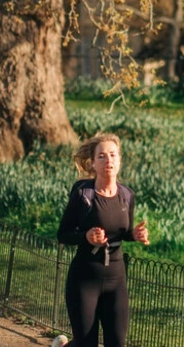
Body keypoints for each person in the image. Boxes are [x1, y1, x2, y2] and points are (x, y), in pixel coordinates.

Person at [51, 133, 149, 347]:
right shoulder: (83, 195)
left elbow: (122, 231)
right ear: (93, 163)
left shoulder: (127, 195)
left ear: (120, 161)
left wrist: (133, 235)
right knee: (86, 344)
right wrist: (86, 237)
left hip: (116, 279)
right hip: (85, 278)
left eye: (113, 155)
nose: (109, 160)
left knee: (117, 343)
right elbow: (63, 234)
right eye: (102, 156)